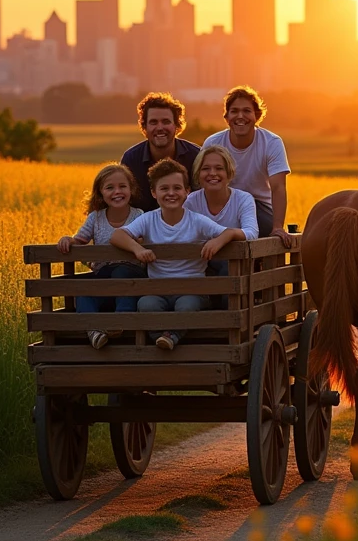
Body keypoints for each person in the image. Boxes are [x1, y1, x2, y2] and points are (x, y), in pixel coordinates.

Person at [110, 158, 243, 350]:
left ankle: (171, 336)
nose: (171, 193)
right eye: (164, 189)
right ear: (154, 193)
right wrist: (138, 249)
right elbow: (118, 235)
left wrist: (220, 239)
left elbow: (230, 232)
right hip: (159, 291)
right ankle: (164, 338)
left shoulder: (197, 221)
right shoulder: (148, 220)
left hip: (192, 291)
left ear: (187, 192)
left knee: (186, 305)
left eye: (177, 188)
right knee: (146, 304)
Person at [57, 163, 145, 350]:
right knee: (83, 291)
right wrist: (68, 240)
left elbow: (145, 240)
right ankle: (94, 331)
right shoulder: (96, 217)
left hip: (131, 281)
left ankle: (120, 321)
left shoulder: (139, 216)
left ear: (131, 189)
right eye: (110, 188)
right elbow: (79, 241)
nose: (117, 192)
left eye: (123, 186)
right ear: (100, 193)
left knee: (121, 272)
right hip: (103, 279)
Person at [203, 85, 292, 246]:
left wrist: (278, 226)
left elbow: (278, 187)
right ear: (227, 117)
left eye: (246, 111)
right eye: (234, 111)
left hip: (259, 207)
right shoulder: (213, 143)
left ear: (256, 116)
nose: (240, 116)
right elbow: (202, 182)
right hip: (223, 203)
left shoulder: (271, 142)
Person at [121, 92, 200, 212]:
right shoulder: (131, 159)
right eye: (153, 122)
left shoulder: (196, 156)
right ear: (144, 127)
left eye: (166, 122)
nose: (160, 127)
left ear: (177, 126)